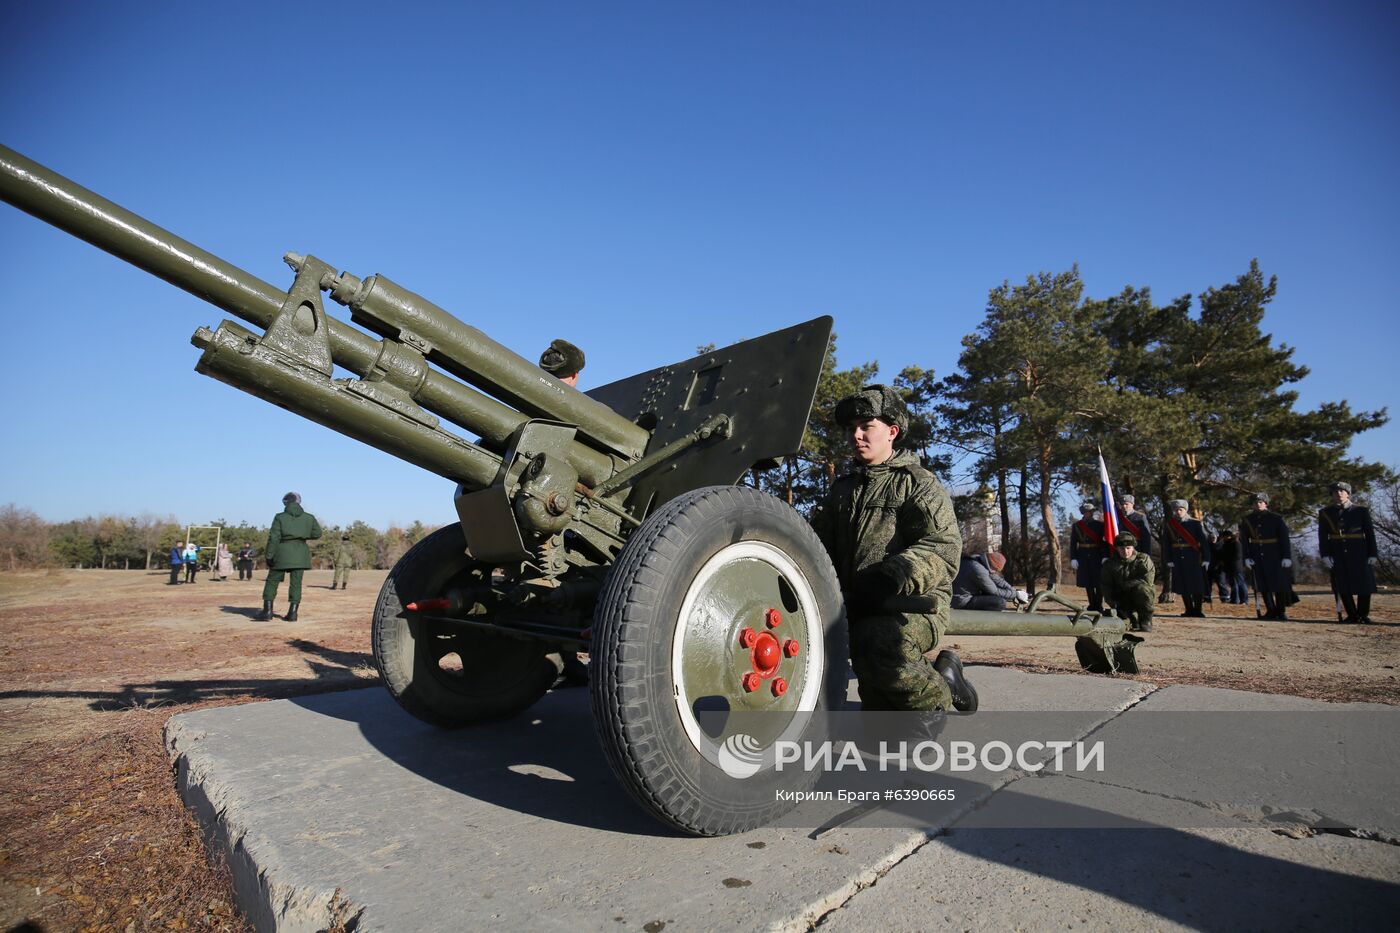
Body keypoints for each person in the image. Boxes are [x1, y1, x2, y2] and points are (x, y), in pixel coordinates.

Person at [810, 384, 976, 713]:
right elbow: (816, 545)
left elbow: (943, 547)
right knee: (879, 709)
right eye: (851, 429)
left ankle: (938, 695)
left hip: (911, 606)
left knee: (876, 644)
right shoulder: (842, 490)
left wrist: (890, 577)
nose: (856, 435)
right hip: (855, 606)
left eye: (866, 426)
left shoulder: (917, 483)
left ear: (892, 431)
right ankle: (929, 682)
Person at [540, 338, 590, 686]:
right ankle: (565, 660)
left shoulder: (529, 402)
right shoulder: (583, 410)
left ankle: (565, 660)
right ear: (575, 374)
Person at [256, 492, 323, 622]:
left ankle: (267, 611)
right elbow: (317, 533)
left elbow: (274, 538)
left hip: (281, 552)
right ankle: (293, 614)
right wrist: (302, 535)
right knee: (296, 584)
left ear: (286, 502)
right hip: (300, 553)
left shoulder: (280, 517)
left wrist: (269, 555)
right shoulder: (309, 518)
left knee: (272, 581)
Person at [1318, 481, 1378, 623]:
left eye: (1342, 491)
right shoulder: (1325, 513)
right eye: (1335, 492)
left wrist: (1372, 553)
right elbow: (1322, 536)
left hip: (1359, 551)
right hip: (1337, 552)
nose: (1339, 494)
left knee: (1364, 584)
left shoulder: (1361, 511)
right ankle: (1351, 614)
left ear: (1348, 493)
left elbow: (1370, 533)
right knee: (1342, 584)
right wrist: (1325, 554)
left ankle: (1363, 614)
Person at [1240, 492, 1292, 620]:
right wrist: (1246, 557)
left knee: (1278, 584)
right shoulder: (1247, 520)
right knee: (1262, 584)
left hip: (1275, 554)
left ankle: (1281, 611)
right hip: (1257, 554)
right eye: (1255, 503)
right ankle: (1270, 610)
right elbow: (1245, 540)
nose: (1258, 505)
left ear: (1266, 503)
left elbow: (1284, 538)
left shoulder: (1276, 518)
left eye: (1260, 502)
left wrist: (1286, 556)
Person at [1165, 499, 1212, 617]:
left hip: (1194, 557)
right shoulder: (1170, 524)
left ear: (1185, 510)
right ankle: (1189, 609)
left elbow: (1204, 542)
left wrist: (1206, 558)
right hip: (1177, 557)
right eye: (1176, 510)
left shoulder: (1195, 523)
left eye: (1180, 510)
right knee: (1183, 584)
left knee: (1196, 584)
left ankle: (1198, 610)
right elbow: (1166, 543)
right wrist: (1169, 559)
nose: (1178, 512)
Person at [1101, 532, 1156, 632]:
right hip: (1121, 598)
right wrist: (1112, 603)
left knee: (1143, 589)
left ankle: (1145, 621)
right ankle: (1130, 618)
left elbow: (1147, 580)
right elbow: (1106, 586)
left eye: (1128, 548)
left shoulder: (1143, 560)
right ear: (1117, 549)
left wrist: (1126, 585)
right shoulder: (1110, 564)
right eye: (1122, 548)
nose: (1125, 551)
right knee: (1120, 624)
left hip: (1140, 596)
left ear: (1133, 548)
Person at [952, 551, 1028, 610]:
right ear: (992, 566)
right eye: (996, 570)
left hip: (962, 597)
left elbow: (998, 580)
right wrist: (1016, 594)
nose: (996, 572)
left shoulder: (978, 560)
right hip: (962, 601)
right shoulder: (978, 570)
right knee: (999, 602)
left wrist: (1013, 590)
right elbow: (994, 591)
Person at [1069, 502, 1107, 612]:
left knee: (1098, 582)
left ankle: (1099, 605)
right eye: (1085, 512)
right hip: (1083, 555)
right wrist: (1073, 558)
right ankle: (1092, 604)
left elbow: (1104, 543)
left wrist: (1105, 556)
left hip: (1097, 555)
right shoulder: (1077, 525)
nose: (1087, 514)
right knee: (1087, 582)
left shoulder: (1100, 525)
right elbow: (1073, 543)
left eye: (1089, 512)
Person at [1213, 529, 1246, 604]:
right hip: (1229, 567)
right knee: (1233, 584)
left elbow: (1237, 556)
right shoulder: (1226, 543)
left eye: (1225, 536)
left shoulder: (1236, 543)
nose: (1223, 538)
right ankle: (1235, 599)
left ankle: (1243, 599)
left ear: (1229, 536)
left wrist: (1226, 559)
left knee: (1240, 583)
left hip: (1235, 567)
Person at [1116, 494, 1154, 559]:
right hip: (1121, 550)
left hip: (1137, 550)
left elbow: (1146, 538)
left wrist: (1146, 554)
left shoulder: (1140, 517)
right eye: (1122, 504)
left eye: (1126, 504)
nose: (1124, 506)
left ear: (1132, 504)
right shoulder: (1117, 517)